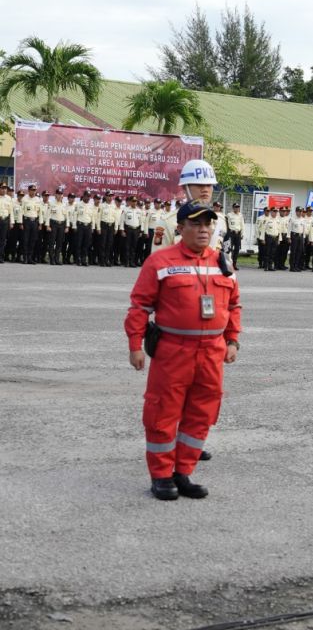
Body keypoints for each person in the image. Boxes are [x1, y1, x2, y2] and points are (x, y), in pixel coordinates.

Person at [125, 201, 241, 501]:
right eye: (196, 224)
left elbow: (234, 305)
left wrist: (232, 340)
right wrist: (135, 345)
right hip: (173, 350)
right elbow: (139, 306)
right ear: (181, 228)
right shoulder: (160, 262)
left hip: (212, 352)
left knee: (201, 413)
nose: (204, 230)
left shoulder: (222, 262)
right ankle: (161, 475)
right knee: (163, 412)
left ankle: (183, 471)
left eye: (208, 224)